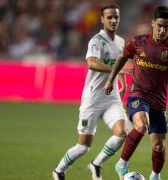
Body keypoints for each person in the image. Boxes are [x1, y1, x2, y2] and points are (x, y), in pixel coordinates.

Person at [104, 5, 168, 180]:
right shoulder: (138, 42)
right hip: (138, 94)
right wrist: (110, 79)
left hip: (158, 101)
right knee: (141, 125)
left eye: (166, 27)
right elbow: (122, 58)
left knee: (159, 145)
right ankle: (122, 164)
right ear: (152, 23)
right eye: (159, 25)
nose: (162, 30)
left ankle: (155, 176)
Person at [52, 3, 131, 180]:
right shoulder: (96, 40)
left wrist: (123, 83)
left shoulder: (120, 42)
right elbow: (92, 63)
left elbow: (120, 63)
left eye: (116, 17)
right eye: (109, 17)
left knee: (122, 133)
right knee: (83, 147)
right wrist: (117, 72)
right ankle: (59, 170)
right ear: (102, 19)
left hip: (111, 98)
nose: (113, 20)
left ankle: (96, 164)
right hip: (93, 99)